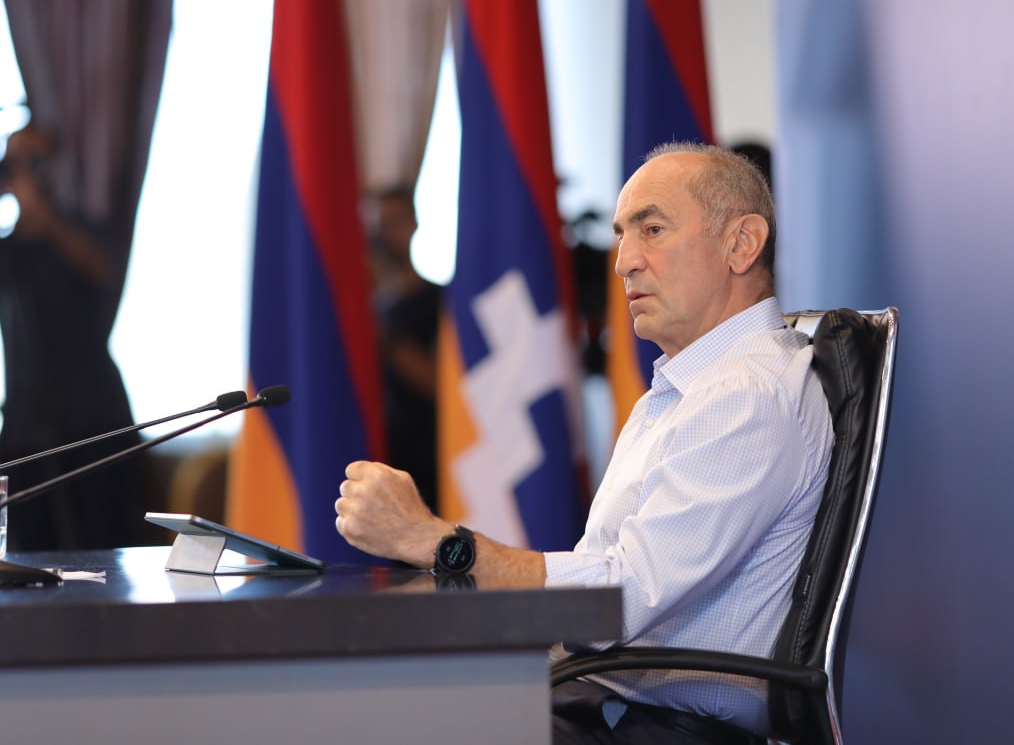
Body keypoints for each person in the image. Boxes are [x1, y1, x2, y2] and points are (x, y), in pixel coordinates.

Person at [334, 143, 834, 743]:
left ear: (741, 244)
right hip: (601, 700)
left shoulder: (746, 396)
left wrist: (435, 541)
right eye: (622, 236)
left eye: (652, 229)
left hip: (654, 726)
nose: (624, 262)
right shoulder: (689, 389)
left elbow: (621, 598)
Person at [0, 123, 148, 551]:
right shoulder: (2, 249)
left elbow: (102, 269)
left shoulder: (80, 229)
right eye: (14, 163)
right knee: (28, 556)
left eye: (32, 162)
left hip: (92, 425)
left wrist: (40, 212)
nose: (22, 173)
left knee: (104, 551)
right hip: (24, 428)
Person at [366, 186, 442, 511]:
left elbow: (442, 386)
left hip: (431, 462)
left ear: (414, 224)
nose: (384, 236)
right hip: (375, 461)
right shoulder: (368, 308)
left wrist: (387, 339)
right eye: (376, 226)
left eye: (393, 222)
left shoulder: (440, 302)